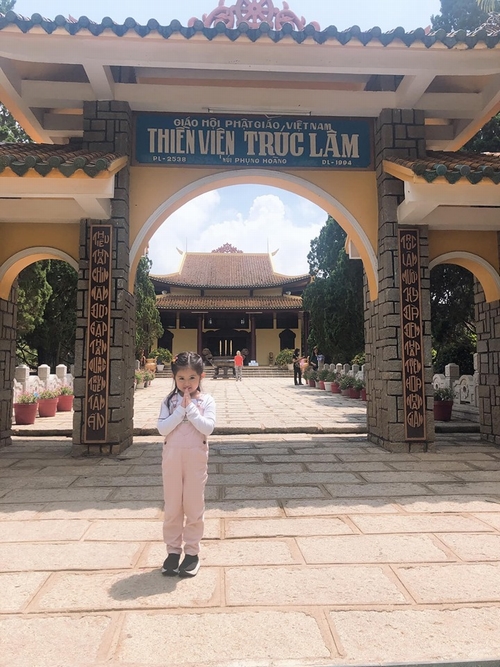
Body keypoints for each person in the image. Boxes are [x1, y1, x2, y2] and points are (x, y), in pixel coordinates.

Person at [157, 351, 216, 578]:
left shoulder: (206, 401)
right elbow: (162, 428)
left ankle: (192, 553)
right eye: (181, 378)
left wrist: (190, 409)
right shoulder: (168, 402)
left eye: (192, 378)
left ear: (201, 376)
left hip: (195, 458)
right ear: (174, 378)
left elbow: (207, 427)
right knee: (172, 506)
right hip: (172, 457)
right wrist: (180, 409)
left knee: (193, 505)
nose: (186, 383)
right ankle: (173, 551)